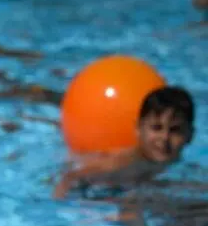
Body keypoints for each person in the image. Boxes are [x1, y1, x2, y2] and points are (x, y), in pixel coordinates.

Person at [52, 86, 195, 200]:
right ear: (138, 129)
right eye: (156, 128)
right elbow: (71, 177)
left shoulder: (180, 169)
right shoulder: (121, 162)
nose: (164, 138)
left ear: (190, 135)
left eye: (175, 130)